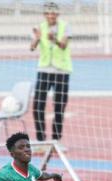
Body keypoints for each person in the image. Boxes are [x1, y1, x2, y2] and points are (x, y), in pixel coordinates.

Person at [30, 1, 72, 142]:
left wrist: (54, 39)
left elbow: (64, 45)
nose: (51, 15)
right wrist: (37, 38)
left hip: (61, 71)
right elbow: (32, 47)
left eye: (53, 13)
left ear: (57, 14)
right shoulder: (39, 27)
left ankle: (56, 140)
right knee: (38, 106)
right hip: (44, 70)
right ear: (44, 14)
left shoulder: (65, 27)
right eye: (48, 13)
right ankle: (41, 140)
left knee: (59, 106)